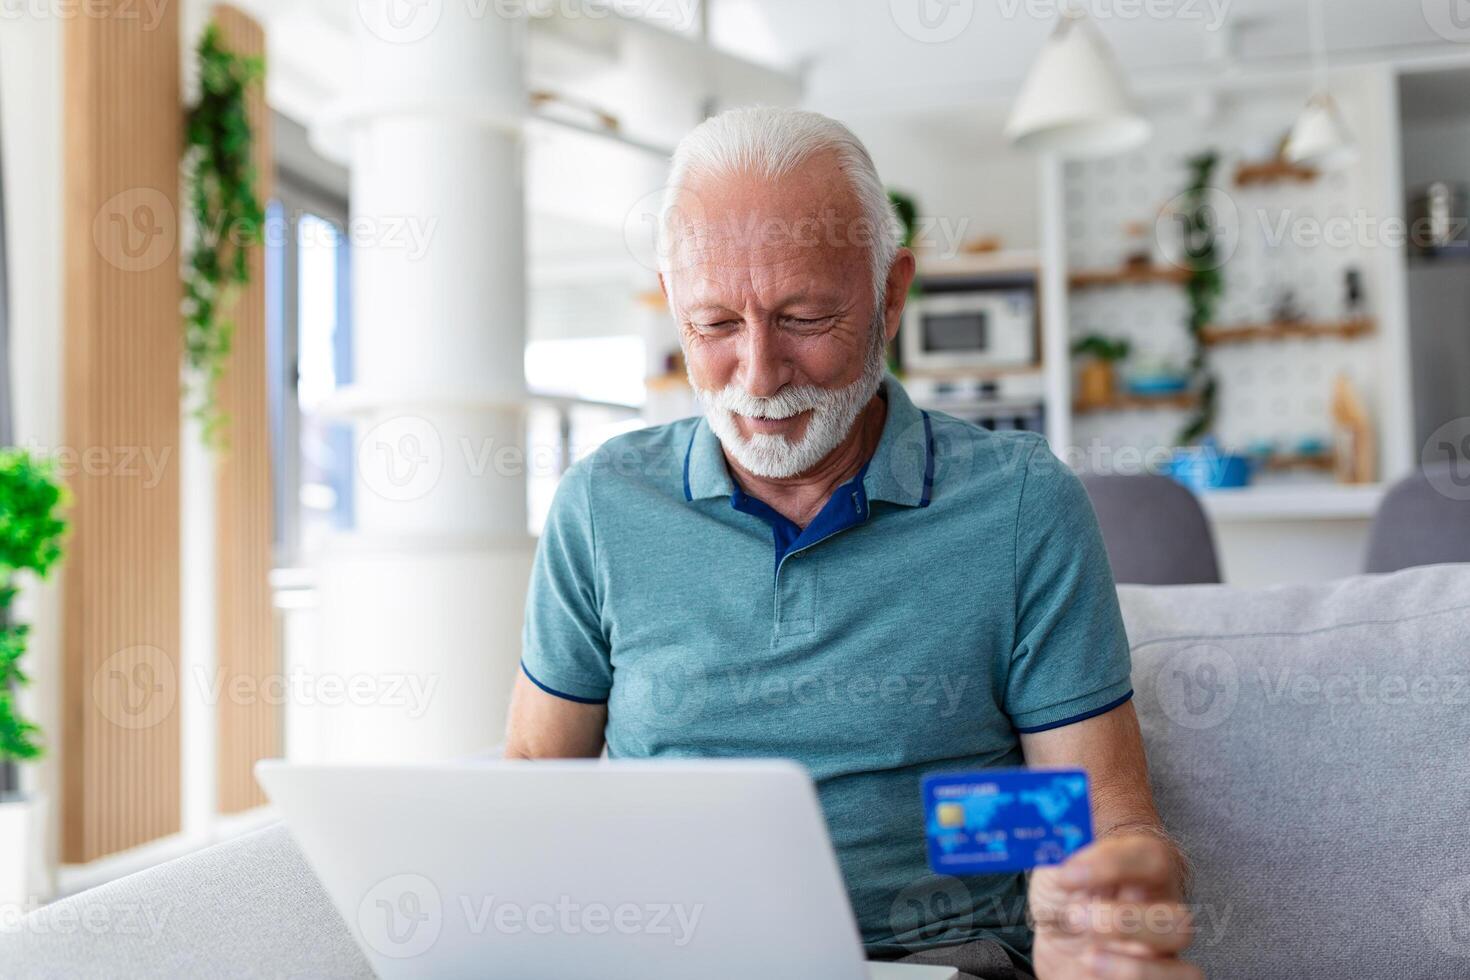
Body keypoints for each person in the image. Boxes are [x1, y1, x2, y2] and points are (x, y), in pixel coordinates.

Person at [505, 106, 1198, 980]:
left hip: (939, 959)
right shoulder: (604, 504)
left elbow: (1100, 816)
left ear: (891, 294)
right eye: (715, 325)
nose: (757, 376)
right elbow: (536, 772)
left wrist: (1105, 908)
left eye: (803, 318)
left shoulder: (1019, 506)